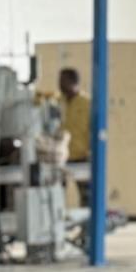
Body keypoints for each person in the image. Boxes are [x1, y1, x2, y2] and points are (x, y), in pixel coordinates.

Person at [58, 68, 92, 206]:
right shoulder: (58, 102)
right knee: (57, 194)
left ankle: (87, 225)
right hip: (61, 158)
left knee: (86, 196)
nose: (59, 84)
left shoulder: (87, 103)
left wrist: (91, 152)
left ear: (73, 82)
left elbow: (93, 130)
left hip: (81, 156)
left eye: (62, 81)